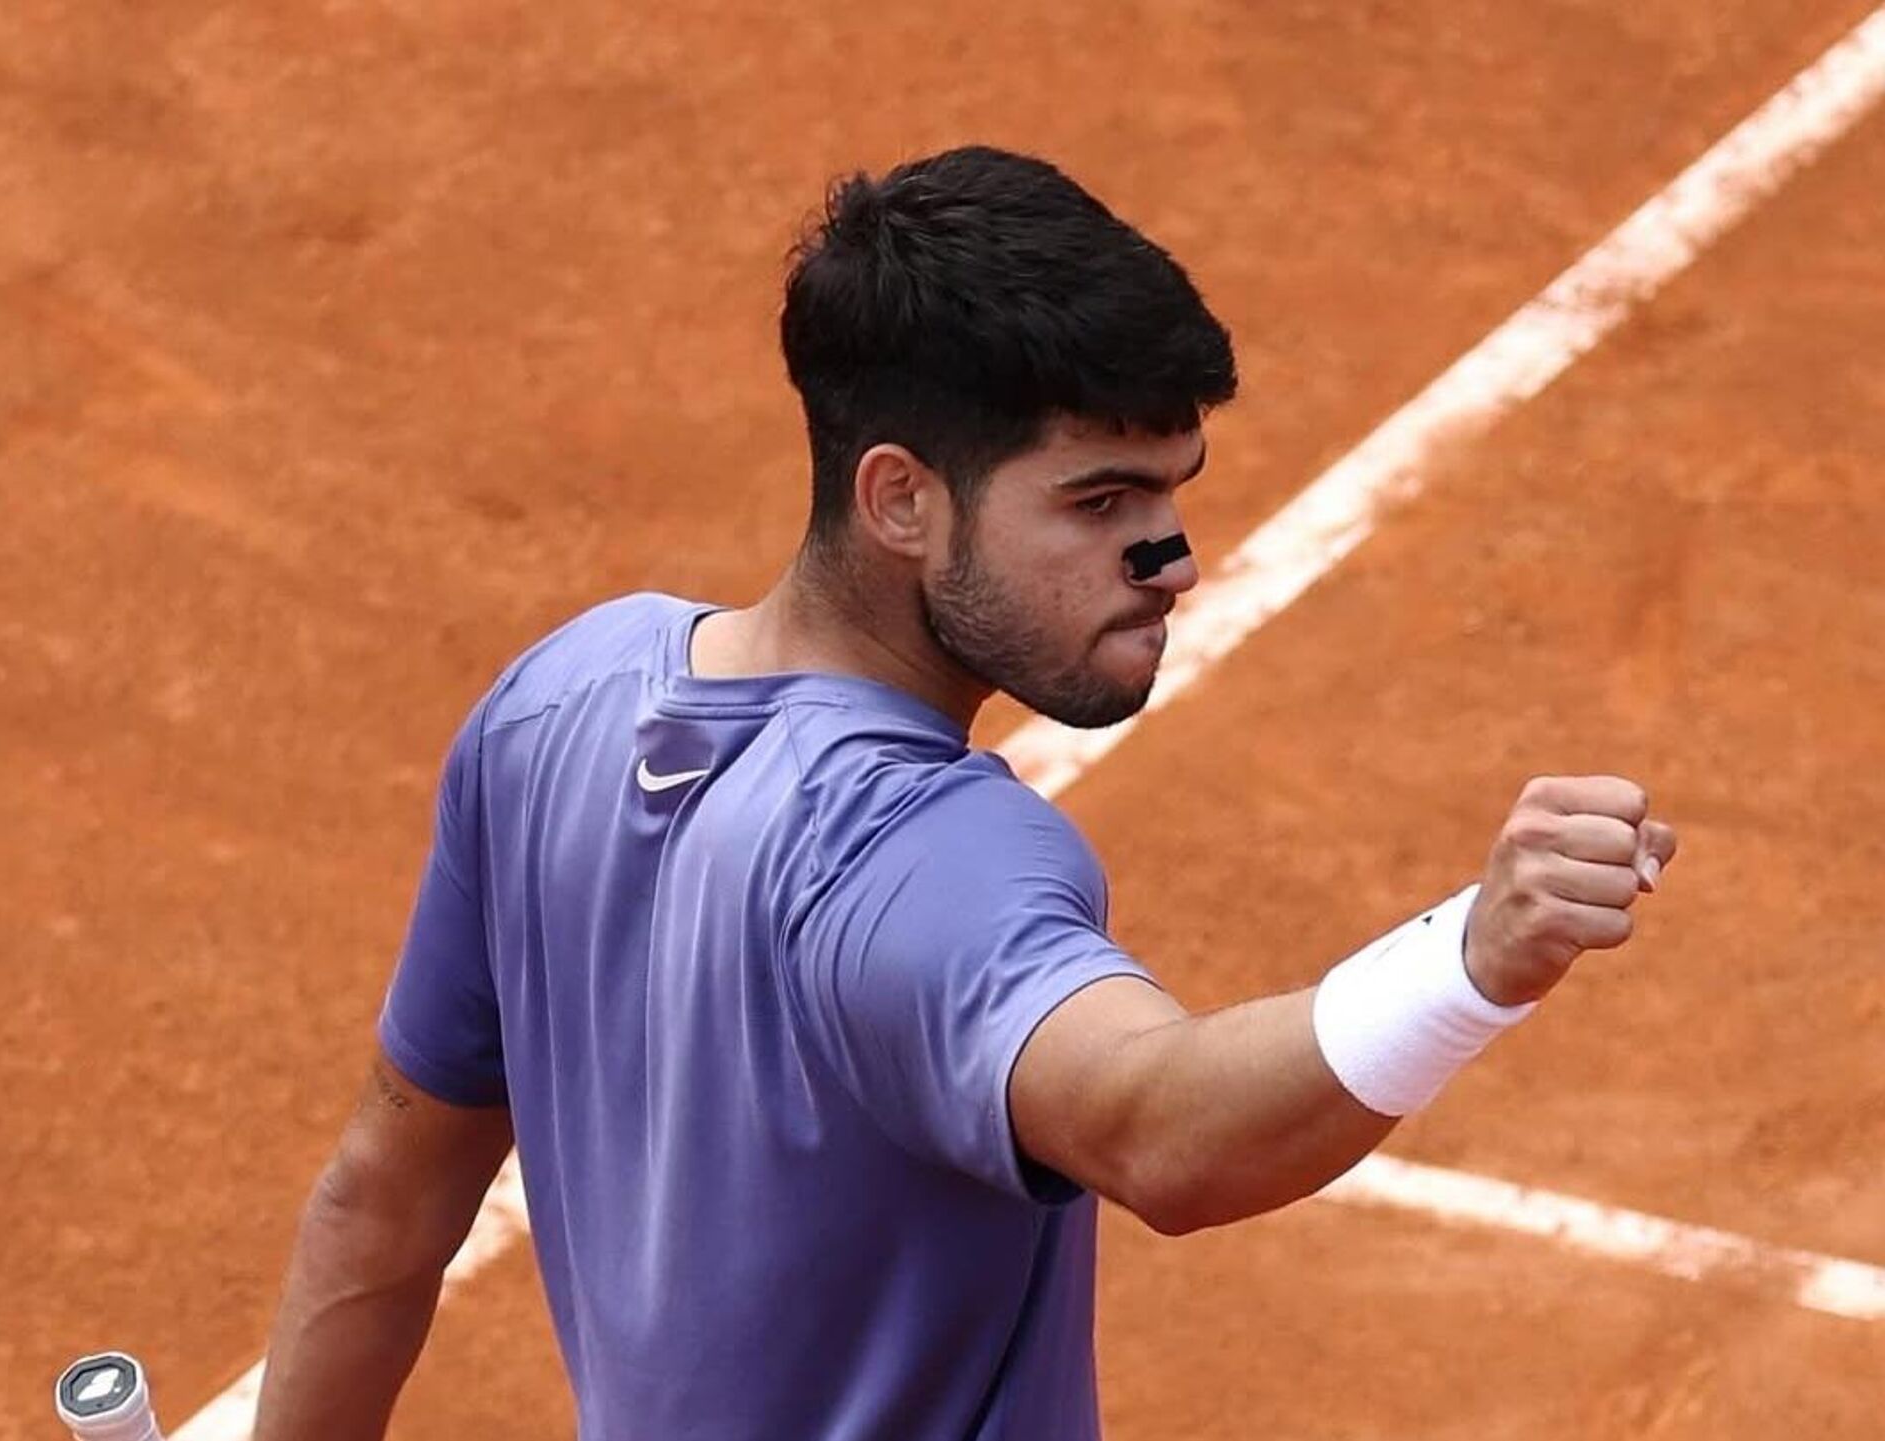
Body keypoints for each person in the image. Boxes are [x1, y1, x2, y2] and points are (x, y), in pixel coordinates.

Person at [252, 145, 1677, 1440]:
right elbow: (1161, 1127)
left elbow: (383, 1201)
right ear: (901, 500)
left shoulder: (557, 703)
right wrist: (1469, 962)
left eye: (1174, 491)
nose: (1171, 560)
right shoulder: (926, 854)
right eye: (1099, 503)